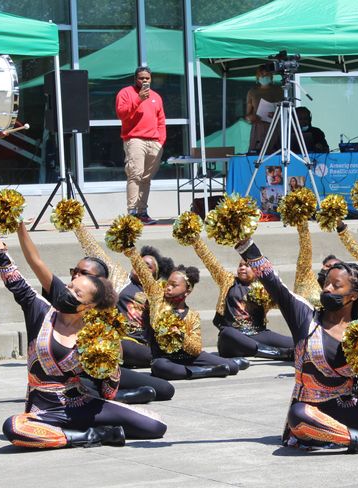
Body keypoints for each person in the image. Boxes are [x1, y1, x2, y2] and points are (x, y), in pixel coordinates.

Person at [233, 237, 358, 452]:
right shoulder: (305, 317)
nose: (327, 289)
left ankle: (356, 434)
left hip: (348, 407)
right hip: (312, 411)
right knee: (299, 416)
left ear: (353, 296)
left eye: (336, 286)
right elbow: (273, 282)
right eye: (326, 284)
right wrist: (245, 243)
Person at [0, 224, 166, 448]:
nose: (67, 291)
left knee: (155, 426)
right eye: (71, 285)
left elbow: (108, 393)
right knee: (13, 427)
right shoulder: (40, 311)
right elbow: (10, 273)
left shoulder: (95, 334)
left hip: (79, 405)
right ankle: (89, 436)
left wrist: (108, 364)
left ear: (88, 306)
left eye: (76, 292)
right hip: (43, 411)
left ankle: (84, 427)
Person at [24, 227, 175, 403]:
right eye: (75, 271)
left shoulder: (121, 302)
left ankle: (112, 393)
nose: (76, 276)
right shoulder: (65, 293)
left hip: (106, 369)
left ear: (99, 283)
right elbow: (36, 262)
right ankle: (119, 397)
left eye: (84, 274)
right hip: (73, 372)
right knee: (79, 388)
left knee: (166, 389)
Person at [120, 246, 246, 380]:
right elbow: (144, 274)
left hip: (188, 357)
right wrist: (130, 249)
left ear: (187, 290)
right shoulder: (158, 299)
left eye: (174, 285)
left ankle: (211, 366)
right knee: (159, 367)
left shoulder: (192, 315)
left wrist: (180, 336)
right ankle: (205, 371)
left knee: (232, 368)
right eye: (168, 284)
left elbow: (196, 349)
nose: (168, 288)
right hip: (166, 359)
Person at [182, 229, 293, 361]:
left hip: (257, 333)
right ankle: (276, 353)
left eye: (247, 265)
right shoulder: (228, 280)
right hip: (232, 338)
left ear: (257, 270)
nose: (242, 268)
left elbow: (286, 301)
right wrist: (196, 241)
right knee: (226, 332)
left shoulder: (265, 287)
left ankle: (271, 350)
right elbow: (210, 262)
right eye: (240, 265)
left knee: (294, 342)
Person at [116, 66, 166, 225]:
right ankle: (132, 213)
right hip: (135, 139)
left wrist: (160, 141)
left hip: (154, 142)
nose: (144, 81)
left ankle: (142, 212)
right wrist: (138, 99)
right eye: (141, 78)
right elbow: (121, 114)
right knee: (135, 175)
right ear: (135, 79)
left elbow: (161, 120)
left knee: (146, 178)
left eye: (147, 78)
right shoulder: (126, 93)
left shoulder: (156, 97)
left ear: (151, 79)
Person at [117, 246, 174, 369]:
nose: (141, 266)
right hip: (116, 337)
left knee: (123, 346)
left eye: (148, 266)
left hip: (138, 344)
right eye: (140, 262)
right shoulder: (121, 281)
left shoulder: (157, 293)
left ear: (154, 275)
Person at [245, 65, 283, 153]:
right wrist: (250, 118)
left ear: (271, 76)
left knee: (275, 151)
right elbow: (247, 114)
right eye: (262, 75)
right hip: (258, 127)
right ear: (257, 77)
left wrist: (277, 114)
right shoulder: (252, 92)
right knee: (257, 152)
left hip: (275, 126)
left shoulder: (278, 90)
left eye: (267, 75)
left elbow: (285, 109)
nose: (264, 77)